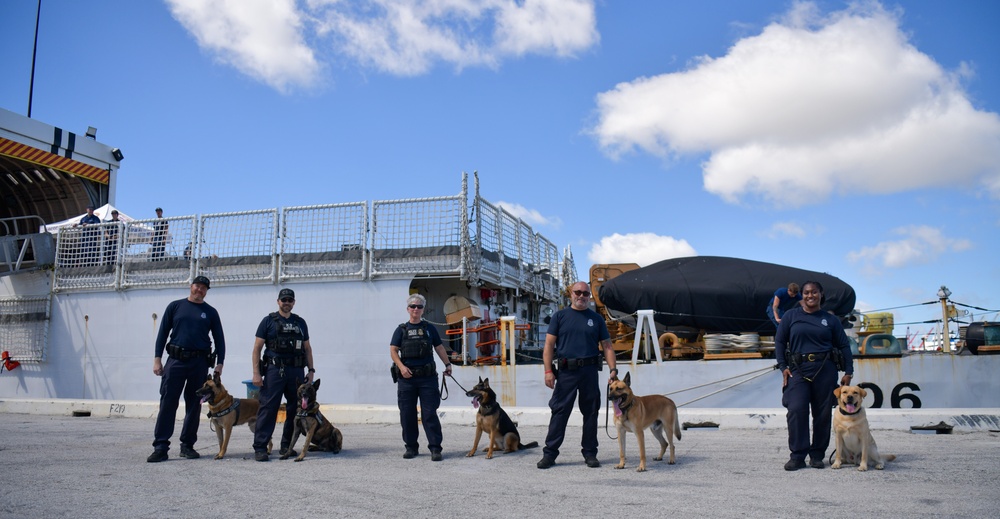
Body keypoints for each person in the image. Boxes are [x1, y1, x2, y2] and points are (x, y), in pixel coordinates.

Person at [537, 281, 618, 469]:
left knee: (590, 412)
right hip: (566, 372)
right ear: (570, 294)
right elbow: (549, 345)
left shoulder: (596, 319)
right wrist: (548, 371)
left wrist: (613, 370)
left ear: (589, 296)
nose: (581, 296)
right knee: (560, 412)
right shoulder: (560, 316)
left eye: (585, 293)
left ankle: (590, 453)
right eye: (577, 292)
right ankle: (549, 454)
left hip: (589, 372)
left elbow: (607, 346)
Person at [774, 280, 853, 471]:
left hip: (824, 369)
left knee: (822, 414)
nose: (811, 296)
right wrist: (783, 366)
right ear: (802, 295)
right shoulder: (791, 316)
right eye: (807, 293)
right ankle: (798, 456)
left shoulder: (830, 320)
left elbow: (844, 345)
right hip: (798, 370)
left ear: (821, 294)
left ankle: (817, 455)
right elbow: (780, 341)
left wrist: (849, 371)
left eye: (814, 292)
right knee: (796, 409)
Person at [148, 275, 226, 462]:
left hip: (199, 363)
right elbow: (162, 334)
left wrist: (220, 363)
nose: (200, 290)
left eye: (204, 288)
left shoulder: (211, 312)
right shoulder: (175, 306)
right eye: (197, 286)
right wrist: (157, 359)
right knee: (168, 403)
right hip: (175, 361)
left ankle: (187, 445)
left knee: (194, 405)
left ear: (207, 291)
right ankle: (160, 446)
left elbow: (219, 340)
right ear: (191, 286)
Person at [251, 288, 315, 462]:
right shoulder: (268, 321)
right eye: (284, 299)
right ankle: (260, 447)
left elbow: (307, 348)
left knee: (295, 408)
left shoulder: (300, 322)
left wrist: (311, 370)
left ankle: (286, 446)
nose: (287, 302)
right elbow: (257, 348)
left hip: (296, 371)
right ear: (278, 301)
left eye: (290, 300)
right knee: (268, 407)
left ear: (293, 302)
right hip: (274, 370)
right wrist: (256, 373)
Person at [389, 293, 452, 461]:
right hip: (407, 379)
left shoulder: (429, 328)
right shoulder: (401, 330)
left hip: (427, 379)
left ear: (423, 309)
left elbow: (439, 348)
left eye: (419, 306)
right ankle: (411, 447)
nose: (416, 309)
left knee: (429, 413)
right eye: (413, 306)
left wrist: (447, 365)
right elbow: (393, 350)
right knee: (407, 414)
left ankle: (435, 448)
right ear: (408, 309)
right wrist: (401, 368)